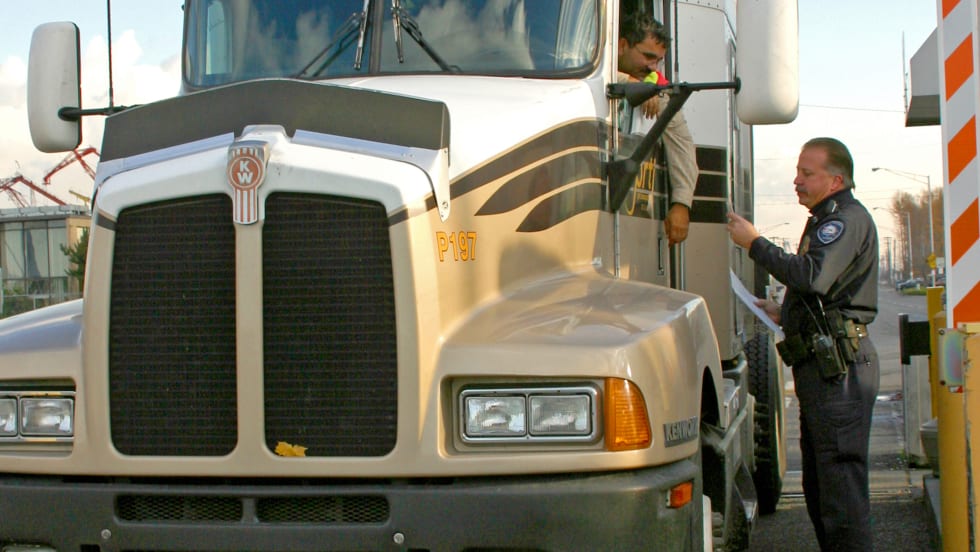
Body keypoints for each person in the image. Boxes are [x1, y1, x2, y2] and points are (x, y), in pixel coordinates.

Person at [727, 137, 880, 551]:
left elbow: (813, 276)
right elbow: (828, 294)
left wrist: (754, 243)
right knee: (822, 489)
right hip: (826, 370)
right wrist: (785, 313)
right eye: (797, 171)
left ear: (835, 180)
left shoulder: (843, 221)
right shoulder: (826, 219)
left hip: (840, 372)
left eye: (806, 173)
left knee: (840, 497)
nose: (796, 180)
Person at [618, 12, 698, 245]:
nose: (653, 67)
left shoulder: (658, 88)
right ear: (622, 46)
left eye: (659, 60)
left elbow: (682, 144)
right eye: (648, 56)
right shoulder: (585, 63)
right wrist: (630, 83)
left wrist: (681, 204)